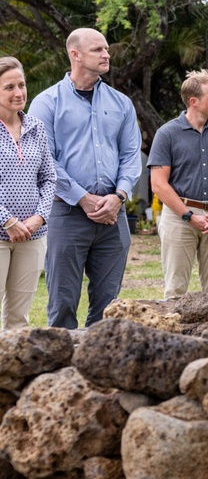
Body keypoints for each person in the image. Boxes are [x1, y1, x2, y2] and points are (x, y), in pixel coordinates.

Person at [29, 28, 142, 329]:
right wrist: (82, 197)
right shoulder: (46, 103)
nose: (106, 54)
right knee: (63, 302)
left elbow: (132, 155)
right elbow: (43, 159)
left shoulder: (122, 104)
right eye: (97, 50)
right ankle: (62, 373)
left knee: (109, 305)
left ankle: (99, 365)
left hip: (112, 216)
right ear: (75, 55)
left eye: (106, 49)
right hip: (67, 214)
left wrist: (119, 196)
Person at [148, 70, 208, 300]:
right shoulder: (167, 134)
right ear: (193, 102)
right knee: (176, 291)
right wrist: (189, 216)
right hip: (180, 219)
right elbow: (158, 185)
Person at [0, 58, 56, 329]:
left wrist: (40, 218)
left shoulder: (36, 127)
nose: (18, 92)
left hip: (32, 236)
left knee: (19, 319)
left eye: (21, 84)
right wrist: (8, 221)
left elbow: (48, 177)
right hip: (1, 234)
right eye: (9, 87)